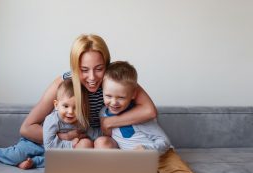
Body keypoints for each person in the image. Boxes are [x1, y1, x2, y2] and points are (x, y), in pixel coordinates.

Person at [20, 34, 157, 148]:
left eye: (99, 69)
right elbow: (27, 128)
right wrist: (65, 137)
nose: (92, 78)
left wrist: (110, 122)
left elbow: (149, 110)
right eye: (84, 70)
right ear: (74, 68)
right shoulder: (64, 84)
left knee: (101, 143)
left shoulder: (114, 79)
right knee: (84, 145)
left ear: (107, 65)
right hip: (78, 143)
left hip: (105, 141)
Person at [100, 61, 210, 173]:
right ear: (103, 91)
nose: (113, 102)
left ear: (133, 94)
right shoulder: (103, 114)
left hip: (163, 155)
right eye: (108, 96)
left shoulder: (141, 116)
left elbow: (164, 142)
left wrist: (147, 149)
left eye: (121, 97)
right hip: (138, 161)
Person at [0, 79, 93, 169]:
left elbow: (91, 132)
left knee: (56, 161)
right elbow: (50, 145)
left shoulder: (81, 121)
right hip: (36, 143)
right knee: (17, 155)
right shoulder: (52, 120)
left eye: (76, 108)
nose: (70, 112)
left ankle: (32, 162)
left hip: (56, 153)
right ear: (56, 105)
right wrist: (71, 144)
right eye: (66, 106)